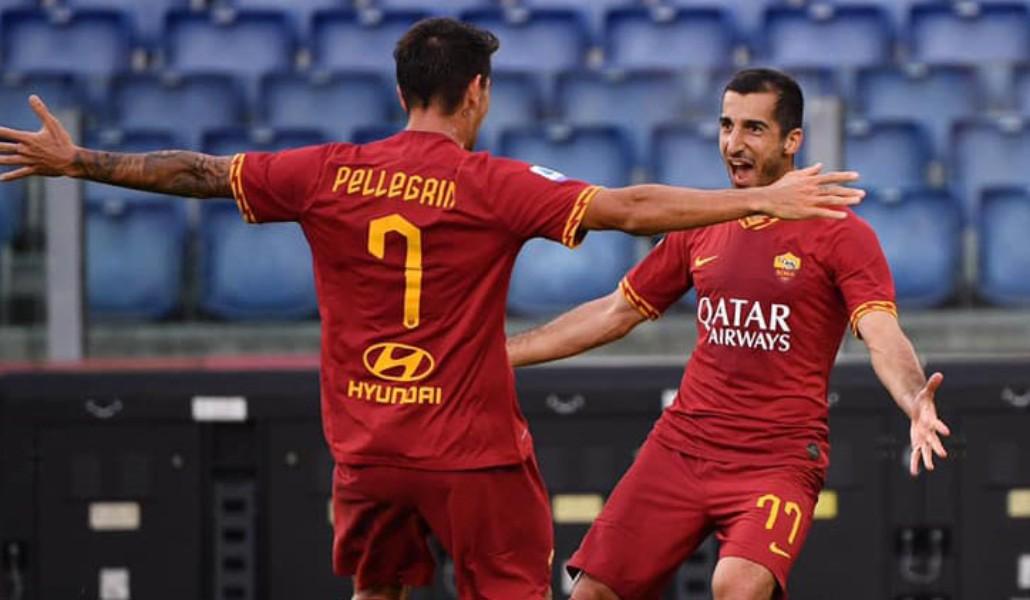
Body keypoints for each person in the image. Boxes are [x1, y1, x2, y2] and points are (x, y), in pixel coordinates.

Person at [0, 19, 863, 599]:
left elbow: (199, 172)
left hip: (366, 448)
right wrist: (761, 201)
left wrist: (82, 163)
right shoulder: (491, 184)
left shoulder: (326, 170)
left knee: (377, 588)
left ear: (402, 93)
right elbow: (630, 208)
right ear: (477, 92)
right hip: (470, 456)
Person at [507, 68, 950, 600]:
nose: (734, 143)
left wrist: (913, 398)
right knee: (592, 592)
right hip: (682, 446)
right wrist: (500, 354)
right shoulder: (702, 223)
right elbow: (614, 312)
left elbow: (880, 332)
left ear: (792, 141)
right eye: (726, 125)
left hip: (778, 458)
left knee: (736, 586)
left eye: (753, 129)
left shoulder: (841, 234)